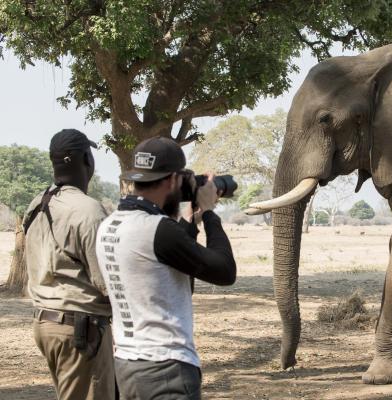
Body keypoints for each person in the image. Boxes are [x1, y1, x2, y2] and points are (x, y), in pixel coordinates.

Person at [96, 136, 236, 400]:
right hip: (166, 369)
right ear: (173, 180)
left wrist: (189, 221)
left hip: (128, 364)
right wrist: (208, 212)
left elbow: (179, 275)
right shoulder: (156, 230)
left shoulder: (110, 225)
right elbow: (225, 271)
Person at [24, 129, 115, 399]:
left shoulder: (37, 204)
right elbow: (107, 281)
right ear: (87, 159)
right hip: (79, 327)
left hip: (45, 324)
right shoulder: (88, 210)